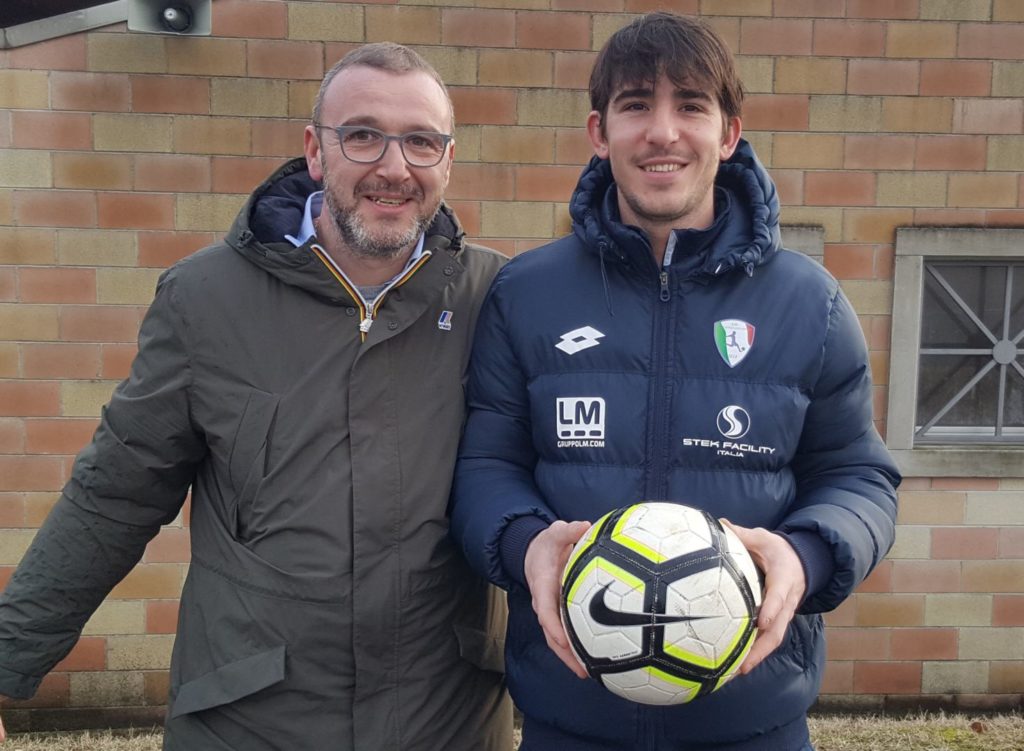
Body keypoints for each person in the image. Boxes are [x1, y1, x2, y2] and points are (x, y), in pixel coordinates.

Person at [0, 42, 512, 750]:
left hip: (443, 719)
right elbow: (116, 493)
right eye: (362, 135)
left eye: (422, 142)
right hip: (248, 719)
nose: (393, 168)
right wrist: (8, 656)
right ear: (315, 149)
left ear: (447, 160)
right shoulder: (204, 299)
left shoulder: (499, 298)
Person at [450, 13, 900, 751]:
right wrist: (527, 544)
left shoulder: (808, 303)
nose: (663, 131)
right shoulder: (527, 294)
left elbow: (859, 477)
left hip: (753, 721)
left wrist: (808, 553)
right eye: (636, 105)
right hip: (571, 719)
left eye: (691, 104)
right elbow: (486, 466)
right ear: (600, 132)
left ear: (728, 133)